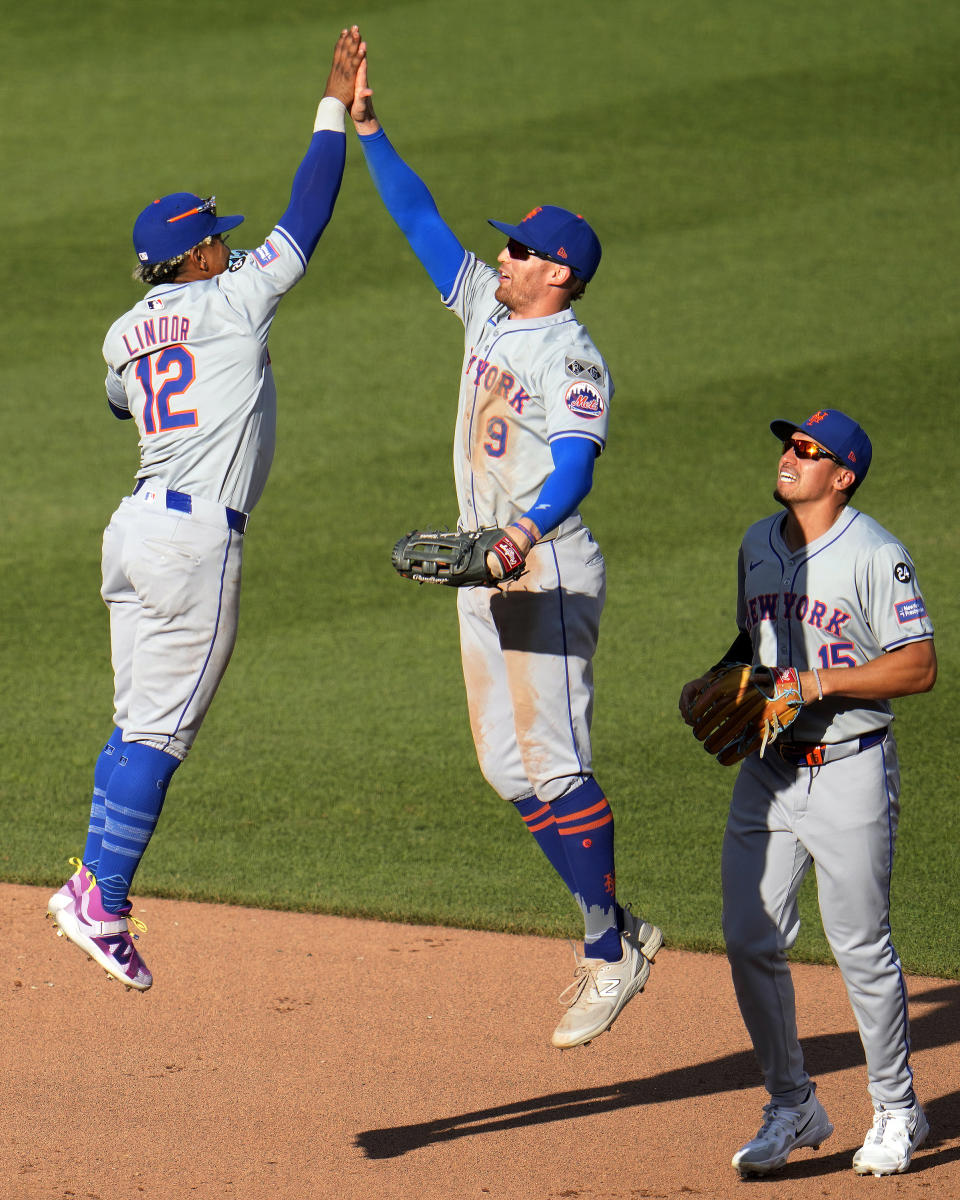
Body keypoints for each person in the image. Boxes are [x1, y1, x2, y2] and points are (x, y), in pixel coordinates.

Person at [347, 44, 662, 1050]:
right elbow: (420, 221)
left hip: (543, 566)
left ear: (559, 272)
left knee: (559, 765)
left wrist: (523, 530)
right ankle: (615, 932)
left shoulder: (574, 355)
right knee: (509, 773)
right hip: (483, 567)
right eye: (511, 248)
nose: (507, 257)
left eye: (523, 250)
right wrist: (370, 132)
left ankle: (612, 951)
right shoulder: (489, 304)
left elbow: (574, 465)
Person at [46, 29, 366, 992]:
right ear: (194, 258)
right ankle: (102, 901)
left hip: (133, 529)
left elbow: (121, 402)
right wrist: (332, 106)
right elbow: (309, 215)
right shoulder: (232, 299)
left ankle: (87, 888)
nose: (232, 243)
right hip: (192, 544)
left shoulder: (120, 334)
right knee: (158, 733)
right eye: (217, 237)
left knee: (131, 721)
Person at [680, 409, 937, 1177]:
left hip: (849, 765)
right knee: (749, 938)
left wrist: (819, 681)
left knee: (860, 947)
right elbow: (755, 645)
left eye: (807, 450)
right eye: (788, 446)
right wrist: (715, 675)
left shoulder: (874, 553)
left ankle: (897, 1110)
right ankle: (793, 1104)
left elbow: (917, 665)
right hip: (768, 767)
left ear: (842, 474)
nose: (789, 457)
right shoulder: (757, 544)